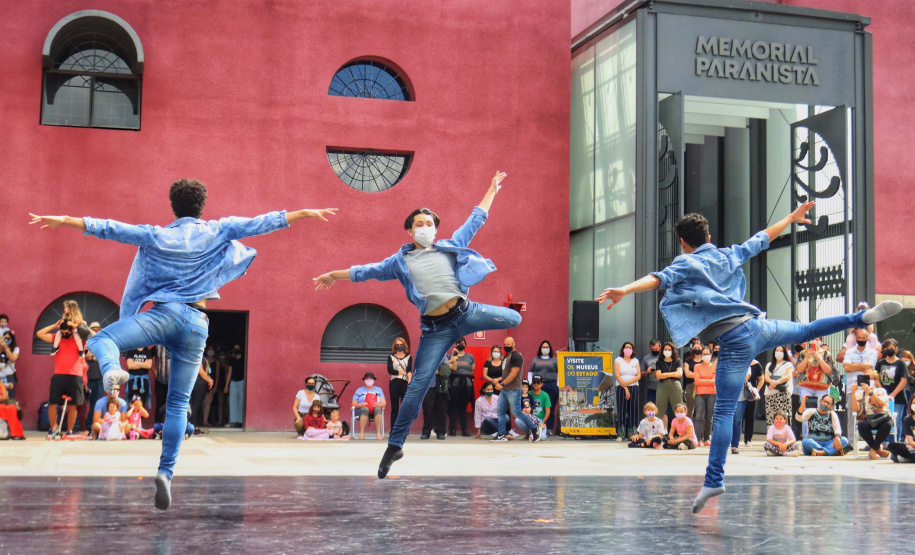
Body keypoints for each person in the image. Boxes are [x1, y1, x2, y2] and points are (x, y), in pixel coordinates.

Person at [30, 177, 338, 509]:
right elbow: (260, 223)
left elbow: (111, 228)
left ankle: (110, 371)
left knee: (103, 338)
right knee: (178, 404)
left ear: (173, 206)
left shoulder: (157, 234)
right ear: (201, 205)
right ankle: (166, 472)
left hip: (164, 315)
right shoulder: (218, 230)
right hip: (198, 324)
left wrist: (65, 221)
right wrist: (302, 213)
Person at [595, 203, 903, 513]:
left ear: (683, 243)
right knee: (807, 329)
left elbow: (656, 279)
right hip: (759, 326)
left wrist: (624, 288)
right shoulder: (729, 253)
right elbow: (763, 238)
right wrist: (790, 218)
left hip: (734, 342)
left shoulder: (685, 263)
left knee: (725, 411)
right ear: (709, 236)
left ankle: (714, 479)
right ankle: (860, 318)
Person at [313, 171, 521, 477]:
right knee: (417, 387)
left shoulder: (449, 246)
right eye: (420, 224)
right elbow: (365, 271)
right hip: (436, 329)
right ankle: (394, 446)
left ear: (436, 229)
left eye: (430, 224)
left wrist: (491, 189)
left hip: (466, 312)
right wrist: (335, 274)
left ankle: (396, 443)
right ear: (411, 230)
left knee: (514, 317)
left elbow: (475, 220)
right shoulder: (399, 262)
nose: (426, 227)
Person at [36, 319, 87, 438]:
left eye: (66, 332)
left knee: (74, 405)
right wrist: (55, 325)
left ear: (71, 331)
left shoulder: (79, 339)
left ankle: (69, 430)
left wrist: (77, 325)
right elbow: (40, 334)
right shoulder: (57, 338)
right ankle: (53, 428)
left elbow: (93, 335)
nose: (64, 334)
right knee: (53, 403)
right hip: (59, 375)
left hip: (75, 376)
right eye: (62, 332)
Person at [492, 336, 532, 442]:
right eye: (505, 345)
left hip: (514, 389)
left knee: (516, 412)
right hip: (505, 389)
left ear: (514, 344)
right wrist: (500, 381)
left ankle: (534, 428)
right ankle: (501, 434)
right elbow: (506, 373)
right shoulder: (506, 357)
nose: (506, 346)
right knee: (500, 411)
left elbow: (514, 373)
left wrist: (502, 383)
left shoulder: (516, 356)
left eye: (508, 345)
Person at [842, 328, 879, 436]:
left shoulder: (872, 352)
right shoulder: (849, 351)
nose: (861, 340)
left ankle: (869, 443)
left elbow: (870, 367)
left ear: (867, 339)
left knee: (870, 414)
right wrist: (863, 365)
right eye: (859, 338)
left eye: (863, 338)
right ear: (855, 339)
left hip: (868, 388)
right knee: (851, 415)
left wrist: (854, 365)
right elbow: (846, 368)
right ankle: (851, 442)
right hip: (852, 387)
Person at [851, 377, 892, 460]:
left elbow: (881, 404)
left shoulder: (881, 391)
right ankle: (878, 450)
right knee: (862, 425)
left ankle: (873, 450)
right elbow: (856, 409)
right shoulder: (859, 394)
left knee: (887, 424)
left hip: (881, 418)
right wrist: (852, 393)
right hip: (867, 419)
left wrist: (870, 392)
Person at [876, 338, 908, 441]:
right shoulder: (880, 363)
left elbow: (903, 380)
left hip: (897, 397)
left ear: (896, 349)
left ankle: (895, 442)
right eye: (886, 348)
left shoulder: (901, 363)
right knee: (883, 420)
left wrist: (893, 394)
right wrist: (883, 393)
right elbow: (876, 379)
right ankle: (884, 442)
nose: (889, 350)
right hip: (882, 398)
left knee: (896, 420)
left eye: (891, 348)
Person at [731, 360, 762, 454]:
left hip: (740, 397)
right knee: (727, 420)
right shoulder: (727, 361)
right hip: (727, 397)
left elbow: (746, 376)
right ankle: (725, 442)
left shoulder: (746, 364)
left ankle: (734, 445)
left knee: (737, 421)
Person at [528, 340, 560, 434]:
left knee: (550, 408)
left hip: (551, 385)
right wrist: (531, 384)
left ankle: (549, 429)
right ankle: (535, 428)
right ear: (540, 348)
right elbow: (530, 372)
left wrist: (557, 385)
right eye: (543, 347)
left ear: (549, 349)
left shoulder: (554, 359)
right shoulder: (535, 360)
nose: (545, 349)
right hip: (538, 385)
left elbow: (559, 373)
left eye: (547, 347)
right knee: (536, 407)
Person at [448, 338, 475, 436]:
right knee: (453, 407)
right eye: (459, 343)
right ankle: (452, 430)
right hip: (454, 383)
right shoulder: (450, 356)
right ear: (455, 344)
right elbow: (447, 369)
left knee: (463, 407)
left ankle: (465, 430)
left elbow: (472, 370)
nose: (461, 344)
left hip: (466, 383)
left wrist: (465, 374)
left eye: (463, 343)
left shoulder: (470, 357)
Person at [614, 341, 641, 441]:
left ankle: (632, 433)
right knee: (622, 410)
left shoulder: (635, 361)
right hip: (621, 387)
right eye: (626, 348)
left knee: (633, 410)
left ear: (633, 350)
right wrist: (625, 387)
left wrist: (629, 383)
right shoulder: (618, 360)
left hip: (634, 387)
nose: (628, 349)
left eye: (630, 348)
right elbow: (617, 375)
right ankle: (620, 434)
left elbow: (638, 375)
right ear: (622, 349)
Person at [654, 341, 683, 430]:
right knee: (660, 407)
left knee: (679, 407)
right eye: (665, 349)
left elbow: (679, 374)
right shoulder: (659, 362)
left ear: (673, 351)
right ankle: (660, 431)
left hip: (675, 385)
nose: (667, 351)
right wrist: (672, 374)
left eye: (669, 349)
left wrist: (665, 374)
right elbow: (658, 376)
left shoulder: (678, 361)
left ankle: (681, 431)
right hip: (663, 385)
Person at [387, 337, 413, 434]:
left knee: (404, 407)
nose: (399, 347)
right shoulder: (391, 357)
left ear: (404, 345)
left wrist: (409, 379)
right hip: (394, 382)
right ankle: (393, 429)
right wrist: (403, 372)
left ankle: (404, 429)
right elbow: (390, 370)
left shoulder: (408, 357)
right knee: (395, 407)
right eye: (397, 345)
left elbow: (409, 370)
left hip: (404, 383)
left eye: (401, 345)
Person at [421, 355, 450, 440]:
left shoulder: (443, 356)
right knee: (428, 409)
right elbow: (422, 369)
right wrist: (435, 370)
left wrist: (432, 370)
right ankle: (426, 432)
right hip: (428, 387)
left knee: (441, 409)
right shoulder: (425, 355)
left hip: (441, 386)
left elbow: (446, 370)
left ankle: (440, 432)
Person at [764, 346, 794, 427]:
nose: (779, 352)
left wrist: (776, 382)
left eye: (781, 351)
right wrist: (772, 382)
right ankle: (771, 437)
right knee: (770, 416)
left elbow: (787, 376)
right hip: (770, 393)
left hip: (783, 394)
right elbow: (766, 377)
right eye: (777, 350)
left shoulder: (788, 364)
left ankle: (785, 436)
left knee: (784, 416)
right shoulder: (769, 365)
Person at [693, 347, 717, 447]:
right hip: (699, 393)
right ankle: (697, 438)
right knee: (698, 416)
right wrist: (709, 381)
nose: (705, 355)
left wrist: (703, 381)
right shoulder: (697, 366)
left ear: (711, 355)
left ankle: (707, 438)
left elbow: (715, 381)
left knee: (709, 416)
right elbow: (697, 381)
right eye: (704, 354)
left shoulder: (714, 366)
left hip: (712, 393)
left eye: (707, 353)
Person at [352, 372, 386, 440]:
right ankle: (361, 434)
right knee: (365, 409)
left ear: (374, 380)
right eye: (367, 379)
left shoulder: (378, 390)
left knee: (378, 409)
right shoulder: (360, 390)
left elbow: (384, 403)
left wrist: (378, 405)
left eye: (371, 379)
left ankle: (378, 434)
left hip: (374, 409)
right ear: (364, 380)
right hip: (362, 409)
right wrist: (360, 405)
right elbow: (353, 403)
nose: (369, 380)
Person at [887, 397, 915, 463]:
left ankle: (904, 458)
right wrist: (910, 447)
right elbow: (910, 441)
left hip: (912, 449)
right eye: (914, 403)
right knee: (892, 445)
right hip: (912, 447)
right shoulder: (908, 419)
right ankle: (910, 457)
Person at [225, 344, 246, 428]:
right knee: (232, 402)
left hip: (242, 382)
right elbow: (229, 372)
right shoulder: (232, 360)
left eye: (237, 348)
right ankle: (233, 421)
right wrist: (226, 385)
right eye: (235, 348)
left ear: (241, 349)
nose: (236, 349)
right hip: (233, 382)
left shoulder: (244, 360)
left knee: (241, 402)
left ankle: (240, 421)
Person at [189, 357, 213, 431]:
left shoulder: (205, 360)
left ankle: (193, 425)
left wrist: (208, 379)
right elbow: (203, 372)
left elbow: (208, 371)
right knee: (196, 406)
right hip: (199, 384)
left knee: (194, 406)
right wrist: (210, 380)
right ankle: (194, 426)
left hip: (196, 383)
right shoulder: (200, 358)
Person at [682, 339, 703, 418]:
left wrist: (694, 374)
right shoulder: (688, 360)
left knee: (701, 410)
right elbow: (687, 374)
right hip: (690, 387)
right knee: (690, 410)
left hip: (703, 387)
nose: (697, 349)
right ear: (692, 349)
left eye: (698, 348)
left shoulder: (705, 361)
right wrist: (700, 375)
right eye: (695, 348)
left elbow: (709, 373)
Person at [529, 375, 552, 440]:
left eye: (538, 383)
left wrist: (543, 422)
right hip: (530, 419)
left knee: (542, 437)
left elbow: (548, 411)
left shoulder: (545, 395)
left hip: (540, 420)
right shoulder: (528, 394)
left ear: (542, 384)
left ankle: (535, 432)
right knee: (518, 421)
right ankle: (529, 433)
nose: (536, 384)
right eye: (534, 382)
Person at [0, 328, 21, 400]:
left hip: (9, 376)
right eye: (4, 338)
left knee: (10, 398)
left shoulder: (15, 348)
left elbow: (12, 359)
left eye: (8, 339)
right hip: (1, 376)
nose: (6, 340)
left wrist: (6, 348)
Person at [153, 345, 171, 425]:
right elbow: (147, 356)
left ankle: (170, 425)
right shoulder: (157, 346)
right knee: (160, 403)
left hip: (174, 381)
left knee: (173, 404)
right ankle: (158, 425)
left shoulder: (176, 344)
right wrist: (154, 371)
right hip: (160, 380)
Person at [642, 339, 662, 406]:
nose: (655, 350)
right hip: (651, 388)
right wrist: (647, 372)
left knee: (663, 409)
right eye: (652, 349)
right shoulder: (646, 358)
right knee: (650, 408)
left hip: (663, 387)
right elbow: (641, 373)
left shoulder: (664, 357)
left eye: (656, 349)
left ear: (660, 347)